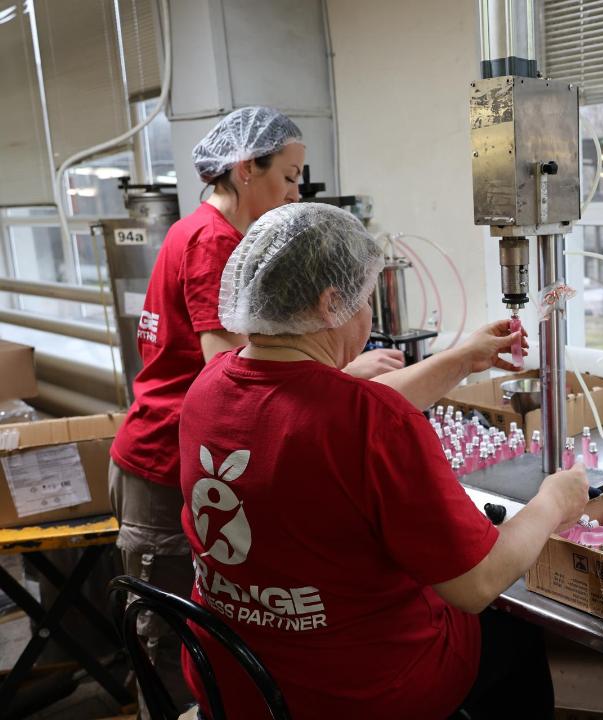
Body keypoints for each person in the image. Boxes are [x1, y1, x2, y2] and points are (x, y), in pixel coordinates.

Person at [179, 203, 589, 720]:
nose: (370, 314)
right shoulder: (368, 422)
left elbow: (324, 404)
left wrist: (462, 359)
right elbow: (476, 584)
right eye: (366, 299)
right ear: (332, 304)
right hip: (355, 695)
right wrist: (554, 501)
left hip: (234, 682)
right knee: (520, 634)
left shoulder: (208, 386)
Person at [107, 106, 399, 714]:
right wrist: (341, 373)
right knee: (167, 639)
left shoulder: (200, 232)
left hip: (192, 456)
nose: (295, 192)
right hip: (166, 460)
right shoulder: (214, 244)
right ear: (246, 169)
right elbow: (230, 370)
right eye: (289, 176)